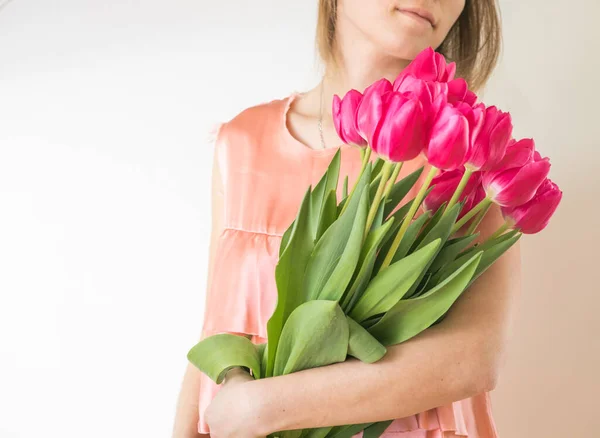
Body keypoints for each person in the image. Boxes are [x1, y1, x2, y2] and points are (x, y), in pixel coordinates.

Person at [172, 1, 521, 437]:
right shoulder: (242, 141)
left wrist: (259, 408)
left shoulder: (469, 154)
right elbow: (217, 321)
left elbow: (472, 360)